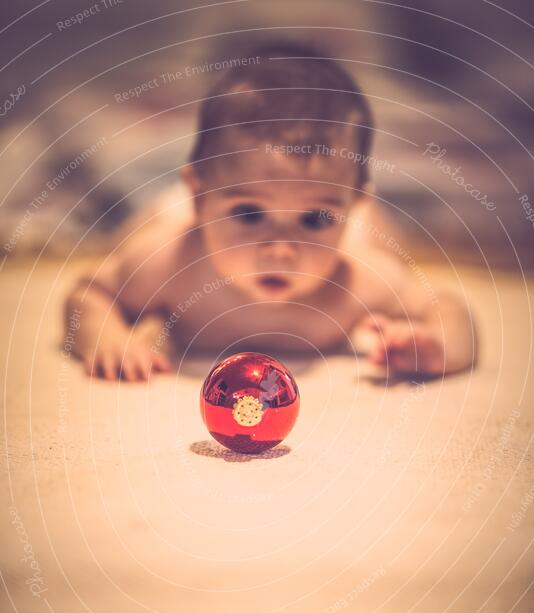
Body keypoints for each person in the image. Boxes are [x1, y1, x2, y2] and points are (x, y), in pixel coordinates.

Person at [65, 41, 476, 380]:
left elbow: (451, 309)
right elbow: (89, 291)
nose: (281, 251)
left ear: (349, 208)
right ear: (200, 196)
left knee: (379, 234)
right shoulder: (170, 261)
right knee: (149, 221)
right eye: (248, 213)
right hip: (178, 212)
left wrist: (436, 345)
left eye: (313, 219)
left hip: (355, 222)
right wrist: (104, 334)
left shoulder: (361, 280)